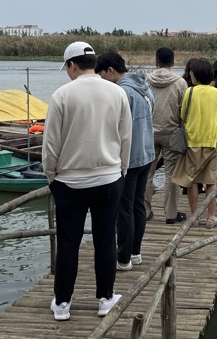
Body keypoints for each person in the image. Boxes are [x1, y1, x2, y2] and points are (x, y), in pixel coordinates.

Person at [43, 41, 131, 321]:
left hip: (69, 182)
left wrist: (51, 176)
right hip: (109, 178)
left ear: (72, 64)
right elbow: (125, 137)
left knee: (68, 242)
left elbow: (51, 144)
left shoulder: (62, 95)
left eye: (66, 67)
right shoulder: (117, 93)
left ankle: (63, 304)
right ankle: (105, 298)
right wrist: (122, 170)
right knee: (105, 239)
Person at [95, 51, 155, 271]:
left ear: (110, 71)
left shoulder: (122, 91)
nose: (101, 81)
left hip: (129, 157)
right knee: (138, 204)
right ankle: (135, 252)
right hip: (147, 153)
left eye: (101, 75)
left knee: (124, 208)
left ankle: (123, 258)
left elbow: (112, 126)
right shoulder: (145, 88)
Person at [171, 58, 217, 229]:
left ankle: (194, 217)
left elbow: (183, 114)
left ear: (195, 75)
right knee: (210, 181)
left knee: (192, 181)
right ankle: (211, 217)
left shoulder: (189, 92)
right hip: (211, 140)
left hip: (192, 140)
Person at [144, 47, 187, 224]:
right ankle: (171, 214)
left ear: (156, 62)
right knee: (172, 174)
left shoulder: (145, 80)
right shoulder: (180, 83)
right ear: (173, 62)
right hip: (172, 133)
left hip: (148, 132)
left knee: (147, 173)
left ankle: (145, 211)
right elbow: (184, 110)